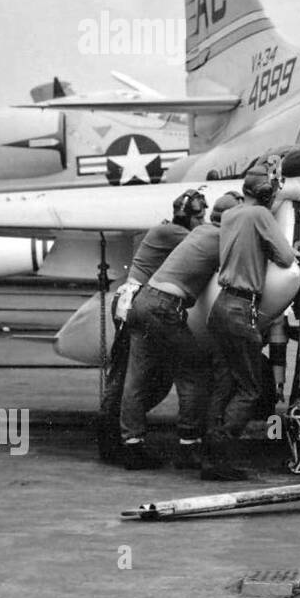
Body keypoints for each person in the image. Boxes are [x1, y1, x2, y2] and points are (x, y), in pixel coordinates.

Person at [116, 192, 240, 472]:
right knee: (195, 372)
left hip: (140, 301)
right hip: (164, 308)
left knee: (135, 379)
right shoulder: (216, 236)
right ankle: (188, 444)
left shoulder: (191, 232)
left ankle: (130, 444)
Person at [205, 165, 299, 481]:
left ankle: (210, 452)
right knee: (250, 389)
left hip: (220, 307)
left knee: (223, 382)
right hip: (242, 309)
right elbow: (286, 259)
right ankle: (221, 451)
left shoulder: (230, 215)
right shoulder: (260, 216)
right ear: (266, 194)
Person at [104, 188, 207, 467]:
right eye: (200, 216)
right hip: (137, 300)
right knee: (132, 377)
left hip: (131, 301)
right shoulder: (176, 233)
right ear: (189, 217)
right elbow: (207, 241)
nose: (203, 221)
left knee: (133, 376)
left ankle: (123, 441)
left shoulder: (166, 229)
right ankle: (117, 438)